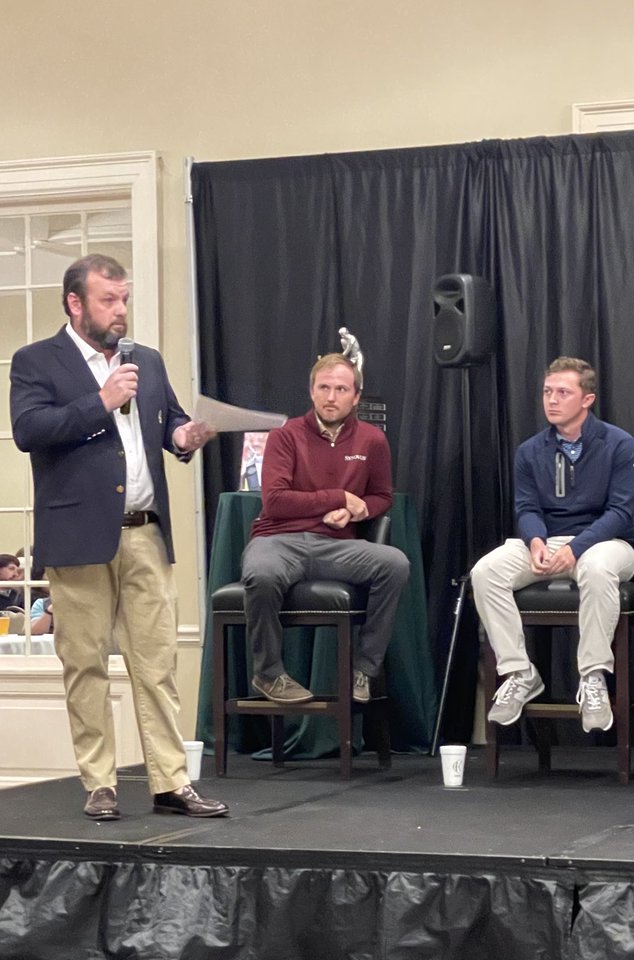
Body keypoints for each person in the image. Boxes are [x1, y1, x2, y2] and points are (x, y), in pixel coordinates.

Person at [9, 253, 228, 821]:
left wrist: (186, 434)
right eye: (109, 299)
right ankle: (100, 782)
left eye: (124, 298)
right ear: (75, 303)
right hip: (78, 536)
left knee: (155, 665)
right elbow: (29, 430)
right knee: (84, 664)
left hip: (145, 536)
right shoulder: (37, 361)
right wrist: (100, 402)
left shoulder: (145, 362)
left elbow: (170, 423)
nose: (120, 310)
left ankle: (170, 782)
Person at [471, 356, 634, 732]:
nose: (551, 400)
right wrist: (534, 541)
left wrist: (576, 548)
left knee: (597, 569)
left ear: (587, 399)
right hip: (548, 540)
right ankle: (518, 672)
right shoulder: (530, 451)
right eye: (548, 391)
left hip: (605, 542)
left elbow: (620, 512)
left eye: (563, 392)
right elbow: (527, 506)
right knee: (485, 572)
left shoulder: (619, 444)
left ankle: (593, 675)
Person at [241, 352, 409, 704]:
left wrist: (357, 512)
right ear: (311, 391)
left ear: (356, 396)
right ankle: (269, 674)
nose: (332, 397)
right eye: (324, 388)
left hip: (335, 545)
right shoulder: (285, 436)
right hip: (278, 539)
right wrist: (339, 497)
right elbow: (275, 501)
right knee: (262, 574)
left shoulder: (372, 441)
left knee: (394, 564)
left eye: (341, 389)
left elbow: (382, 496)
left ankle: (364, 669)